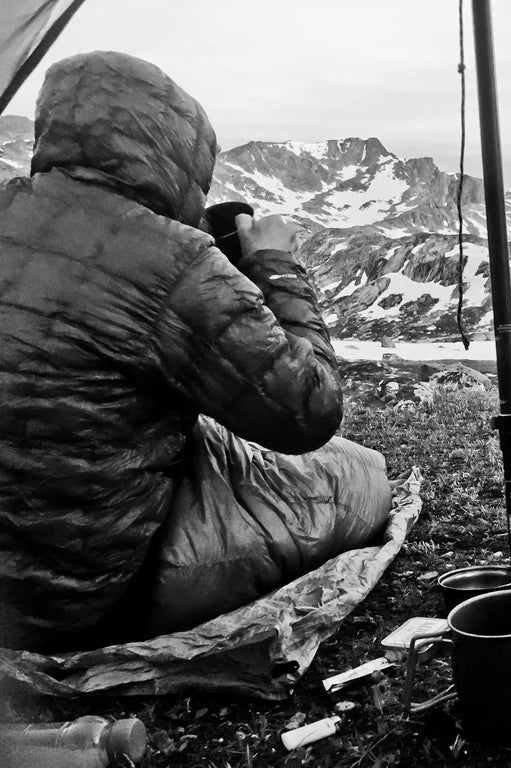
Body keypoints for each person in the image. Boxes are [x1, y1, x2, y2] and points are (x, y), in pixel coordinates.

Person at [0, 51, 391, 653]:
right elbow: (308, 411)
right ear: (176, 151)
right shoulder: (172, 261)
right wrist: (273, 268)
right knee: (361, 474)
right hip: (78, 595)